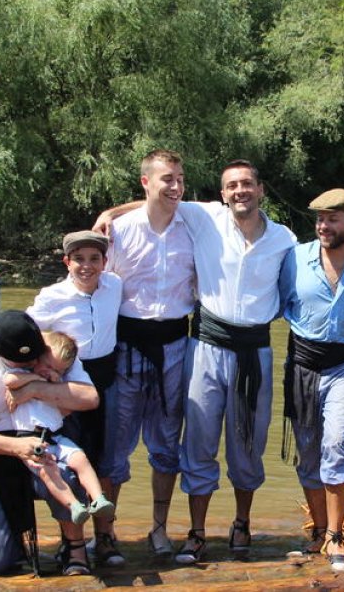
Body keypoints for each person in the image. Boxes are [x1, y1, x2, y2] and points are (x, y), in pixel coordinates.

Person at [171, 160, 297, 563]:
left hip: (255, 351)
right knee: (199, 440)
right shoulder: (205, 217)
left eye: (246, 184)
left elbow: (303, 283)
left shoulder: (285, 239)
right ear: (222, 193)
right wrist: (108, 215)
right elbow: (155, 200)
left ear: (261, 189)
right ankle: (196, 532)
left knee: (248, 444)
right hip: (206, 345)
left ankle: (242, 522)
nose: (239, 190)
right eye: (231, 186)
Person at [0, 311, 100, 575]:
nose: (31, 364)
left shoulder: (53, 350)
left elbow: (90, 398)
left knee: (67, 469)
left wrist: (36, 388)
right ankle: (12, 542)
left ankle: (75, 546)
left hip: (45, 444)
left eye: (33, 357)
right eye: (21, 362)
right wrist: (15, 447)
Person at [278, 189, 344, 572]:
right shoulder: (294, 258)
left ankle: (338, 537)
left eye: (333, 218)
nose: (324, 225)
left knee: (338, 443)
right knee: (308, 452)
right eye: (320, 218)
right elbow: (273, 301)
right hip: (302, 364)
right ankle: (319, 532)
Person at [102, 149, 195, 557]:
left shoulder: (194, 225)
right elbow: (96, 287)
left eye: (178, 178)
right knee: (116, 445)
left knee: (166, 446)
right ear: (145, 183)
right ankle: (105, 531)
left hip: (176, 345)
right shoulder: (118, 232)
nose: (174, 186)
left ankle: (159, 528)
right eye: (166, 179)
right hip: (126, 346)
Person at [26, 230, 126, 566]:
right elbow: (25, 334)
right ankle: (72, 542)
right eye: (79, 259)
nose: (87, 266)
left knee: (105, 463)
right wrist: (45, 368)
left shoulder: (114, 286)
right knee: (69, 462)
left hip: (107, 382)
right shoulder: (52, 296)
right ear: (66, 262)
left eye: (94, 259)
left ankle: (105, 536)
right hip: (68, 387)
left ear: (104, 261)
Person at [3, 331, 115, 526]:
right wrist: (37, 380)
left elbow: (69, 408)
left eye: (59, 370)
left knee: (80, 459)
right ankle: (73, 506)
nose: (51, 372)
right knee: (48, 471)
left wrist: (56, 381)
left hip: (56, 437)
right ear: (37, 357)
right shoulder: (25, 373)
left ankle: (98, 499)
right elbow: (9, 381)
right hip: (29, 439)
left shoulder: (58, 384)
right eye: (47, 365)